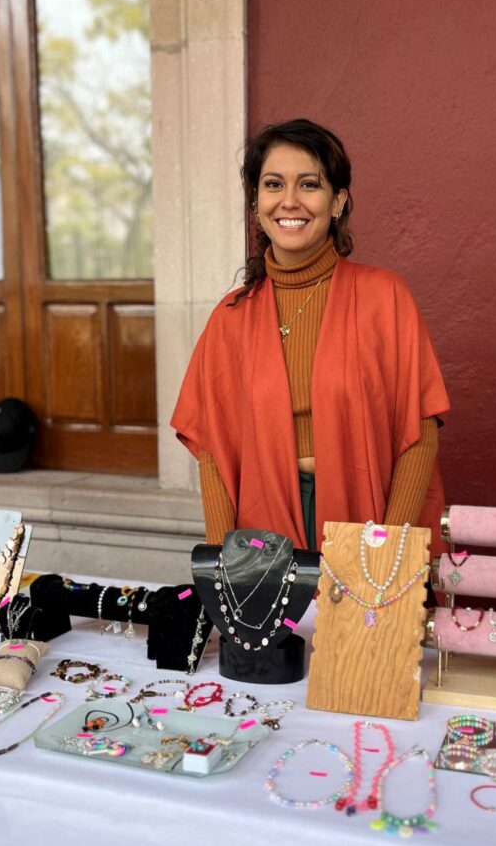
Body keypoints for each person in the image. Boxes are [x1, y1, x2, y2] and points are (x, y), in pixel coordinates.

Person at [171, 118, 449, 551]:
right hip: (263, 531)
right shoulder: (230, 317)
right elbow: (214, 454)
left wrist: (388, 548)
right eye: (273, 185)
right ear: (256, 202)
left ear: (337, 201)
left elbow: (419, 432)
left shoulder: (384, 296)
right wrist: (225, 559)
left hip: (368, 520)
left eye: (308, 184)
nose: (289, 201)